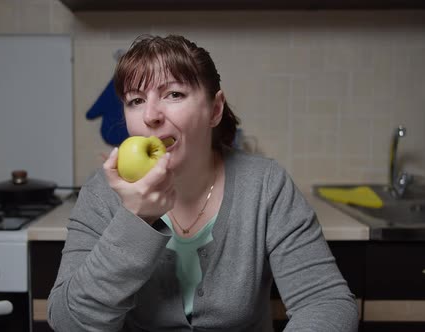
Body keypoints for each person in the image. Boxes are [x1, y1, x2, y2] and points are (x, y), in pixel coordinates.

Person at [48, 34, 358, 332]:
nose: (151, 115)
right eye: (136, 100)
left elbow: (326, 303)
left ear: (215, 109)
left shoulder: (264, 185)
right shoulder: (102, 192)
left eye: (174, 94)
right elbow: (69, 322)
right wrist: (135, 219)